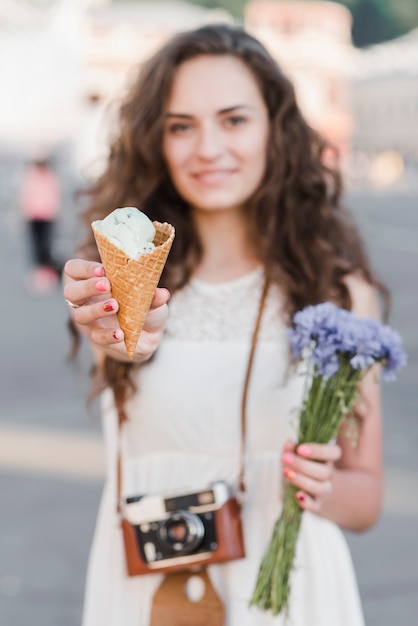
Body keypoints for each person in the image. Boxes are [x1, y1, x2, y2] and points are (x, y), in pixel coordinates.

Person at [63, 24, 387, 626]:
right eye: (181, 126)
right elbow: (124, 346)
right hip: (151, 586)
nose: (207, 148)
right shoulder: (127, 276)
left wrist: (318, 484)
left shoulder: (338, 292)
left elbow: (365, 496)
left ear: (275, 130)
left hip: (294, 591)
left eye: (233, 120)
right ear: (155, 141)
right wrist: (114, 329)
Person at [20, 158, 61, 293]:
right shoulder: (31, 177)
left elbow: (54, 196)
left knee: (45, 246)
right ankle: (39, 273)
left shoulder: (50, 178)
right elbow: (26, 196)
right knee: (36, 246)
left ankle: (46, 273)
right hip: (34, 216)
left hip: (47, 216)